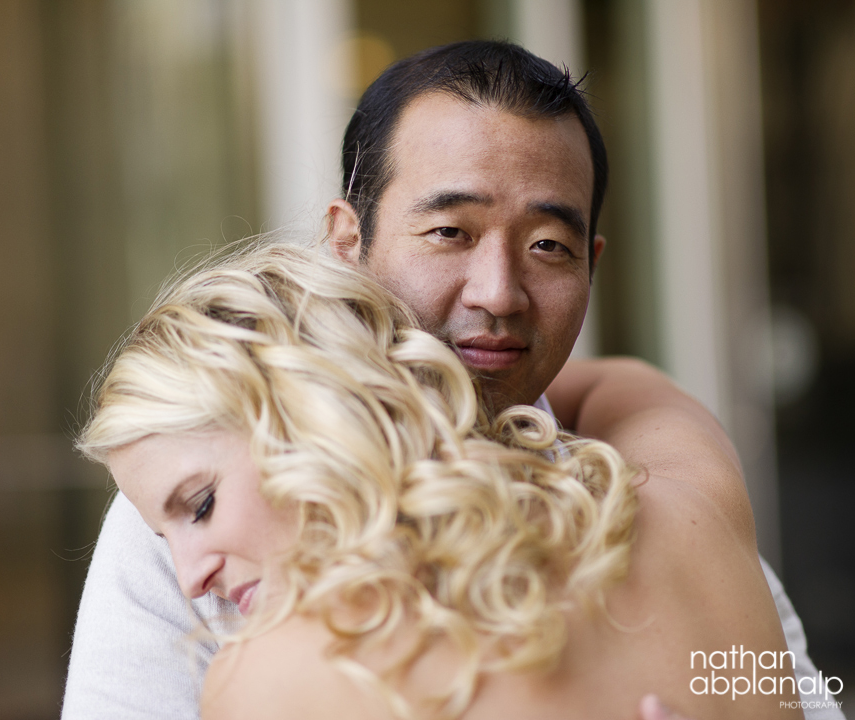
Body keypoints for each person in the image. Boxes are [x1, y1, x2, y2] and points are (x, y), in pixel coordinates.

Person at [61, 41, 837, 720]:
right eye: (448, 233)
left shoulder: (270, 673)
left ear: (592, 269)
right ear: (346, 242)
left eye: (548, 247)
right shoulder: (687, 493)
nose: (497, 293)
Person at [79, 242, 802, 719]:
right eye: (160, 533)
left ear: (316, 416)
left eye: (200, 505)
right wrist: (417, 381)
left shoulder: (276, 680)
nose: (188, 578)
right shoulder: (691, 509)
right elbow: (628, 381)